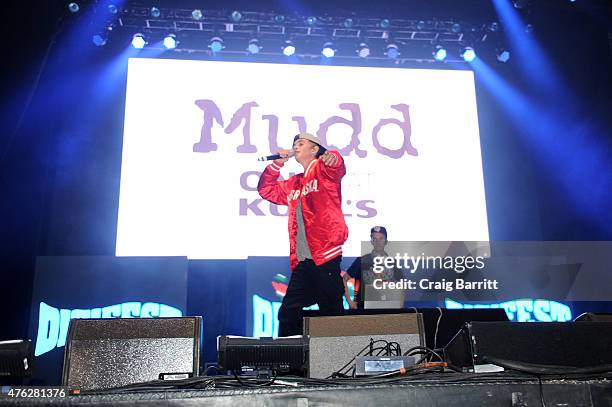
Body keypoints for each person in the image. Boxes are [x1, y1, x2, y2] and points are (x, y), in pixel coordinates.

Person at [258, 133, 348, 337]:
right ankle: (289, 364)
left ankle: (336, 357)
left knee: (331, 313)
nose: (295, 147)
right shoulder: (294, 183)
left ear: (315, 149)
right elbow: (267, 190)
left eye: (301, 143)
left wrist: (332, 156)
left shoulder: (323, 169)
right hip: (304, 261)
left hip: (326, 255)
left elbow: (336, 164)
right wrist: (276, 164)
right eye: (294, 144)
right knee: (288, 312)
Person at [344, 226, 405, 309]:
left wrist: (400, 304)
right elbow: (344, 279)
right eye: (374, 238)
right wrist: (350, 302)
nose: (378, 242)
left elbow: (403, 284)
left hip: (387, 308)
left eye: (381, 238)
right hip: (363, 308)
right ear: (371, 241)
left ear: (386, 241)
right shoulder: (362, 260)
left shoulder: (393, 262)